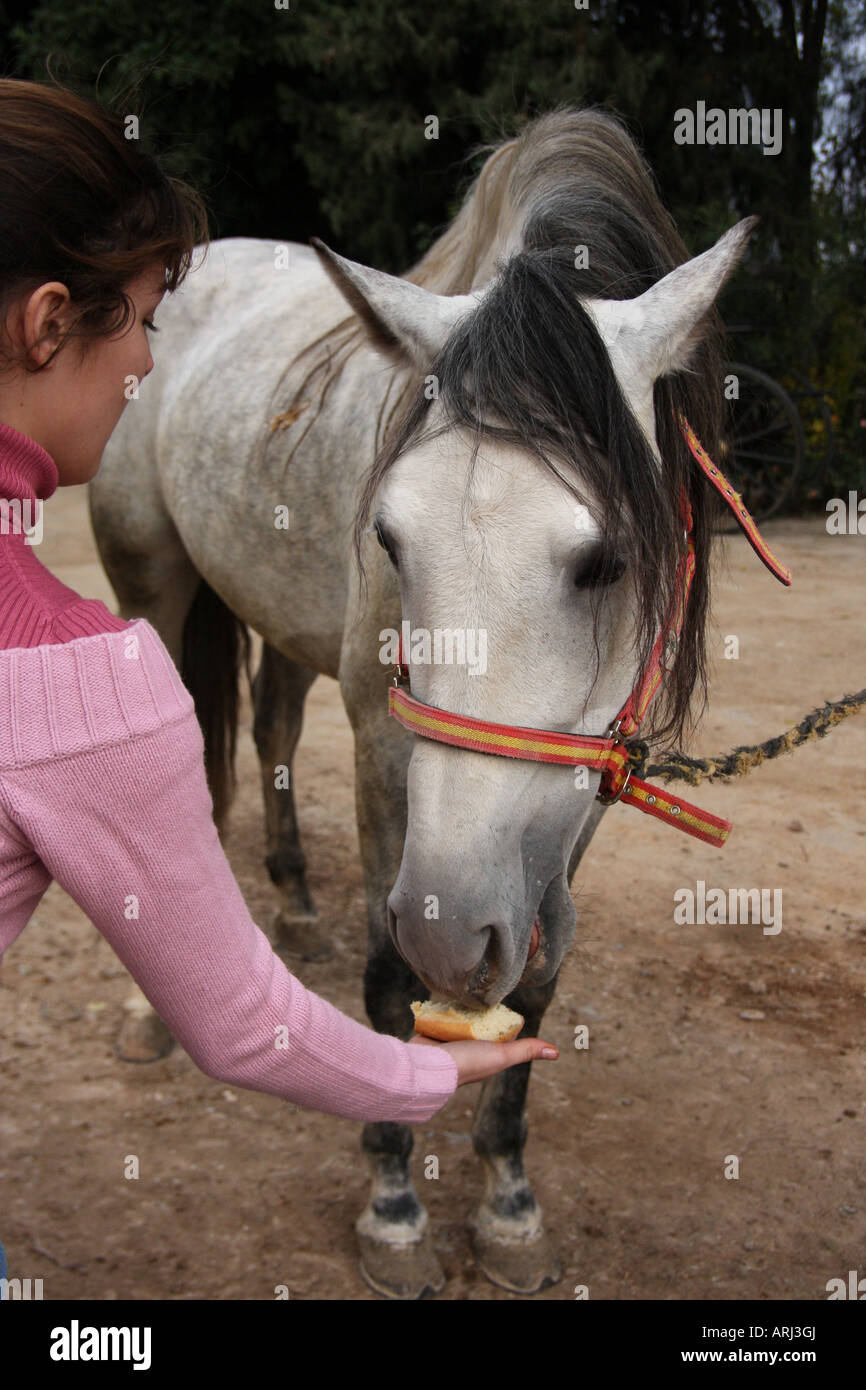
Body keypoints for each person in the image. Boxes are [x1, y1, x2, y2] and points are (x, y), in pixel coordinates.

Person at [0, 77, 559, 1282]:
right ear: (49, 326)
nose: (155, 360)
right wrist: (426, 1072)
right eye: (147, 323)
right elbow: (242, 1024)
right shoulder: (79, 681)